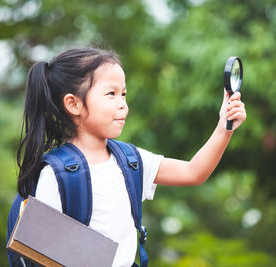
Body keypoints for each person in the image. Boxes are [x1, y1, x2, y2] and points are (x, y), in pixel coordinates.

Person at [16, 47, 246, 267]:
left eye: (123, 94)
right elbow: (42, 255)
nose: (123, 105)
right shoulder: (56, 175)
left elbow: (192, 172)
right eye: (111, 94)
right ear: (73, 103)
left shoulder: (129, 160)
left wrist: (224, 127)